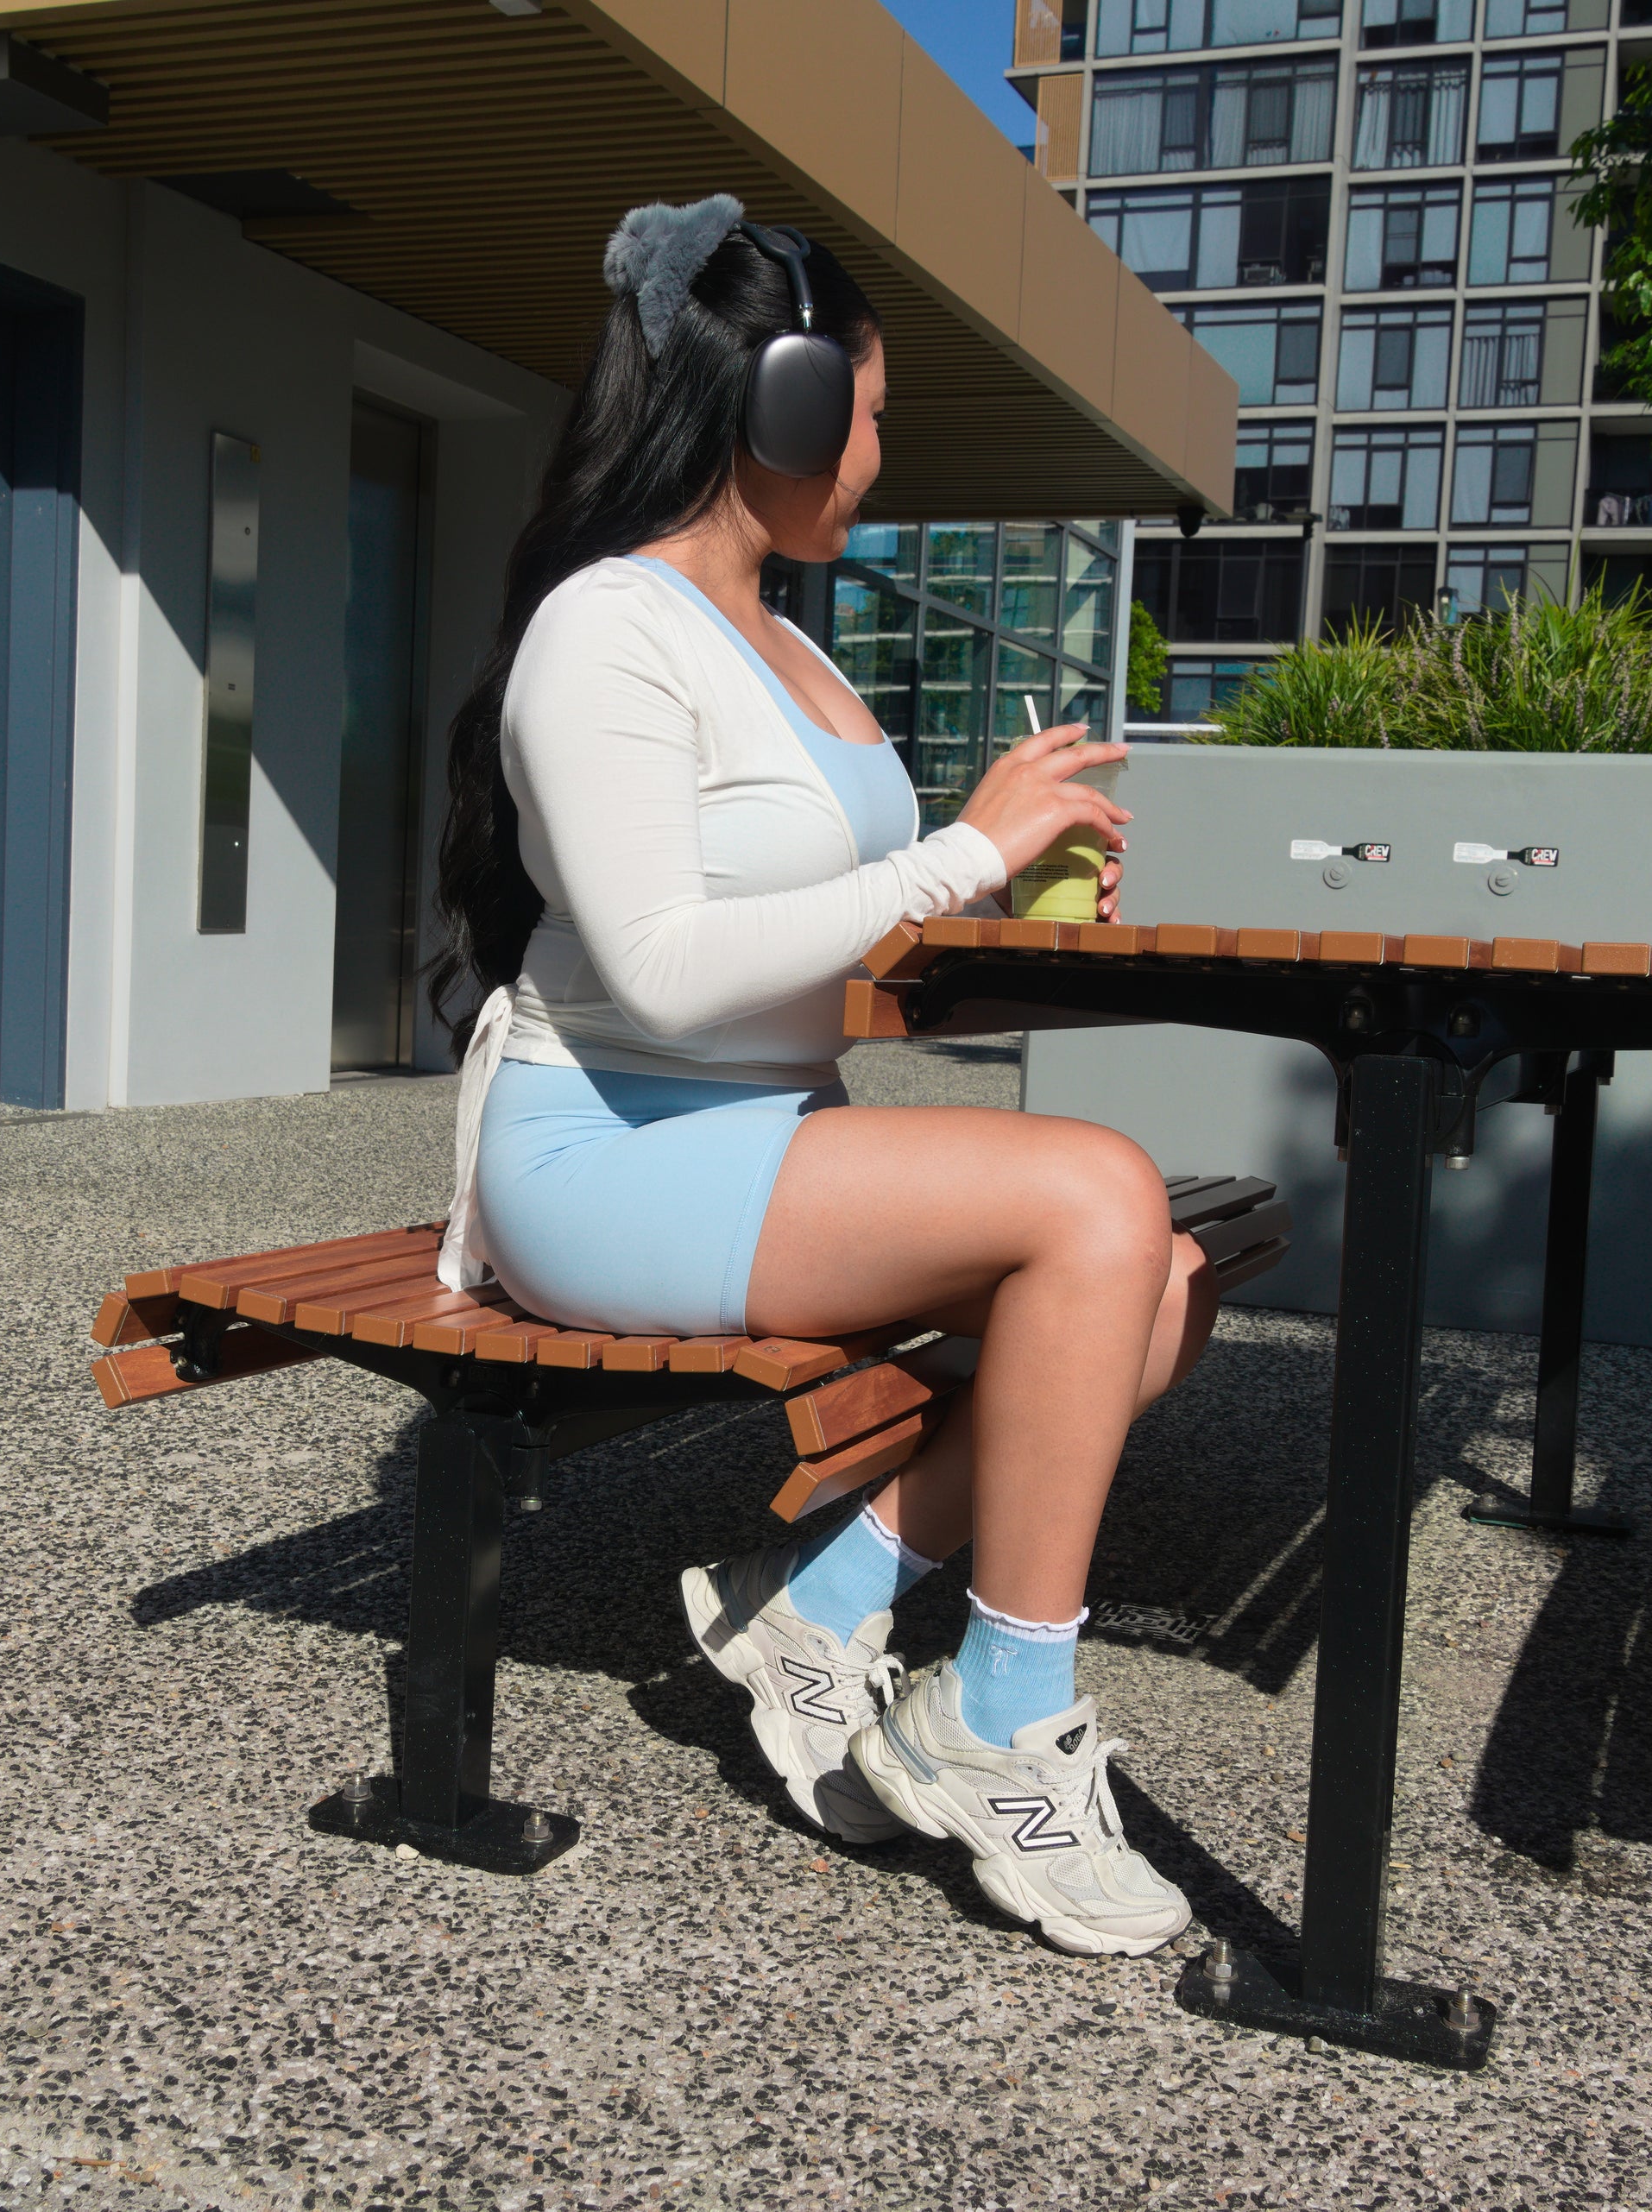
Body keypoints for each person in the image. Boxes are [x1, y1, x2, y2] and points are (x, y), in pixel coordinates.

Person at [423, 195, 1216, 1957]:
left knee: (1159, 1283)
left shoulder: (783, 638)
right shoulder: (605, 629)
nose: (875, 452)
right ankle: (999, 1722)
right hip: (610, 1151)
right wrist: (956, 854)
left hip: (766, 1133)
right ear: (775, 405)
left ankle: (825, 1594)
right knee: (1099, 1193)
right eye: (864, 411)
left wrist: (998, 898)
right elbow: (662, 963)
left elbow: (833, 926)